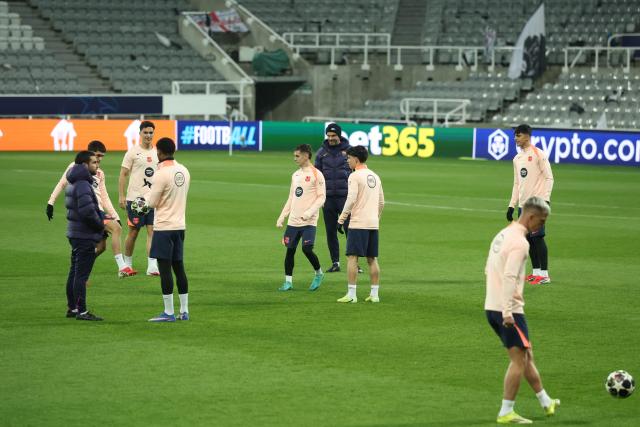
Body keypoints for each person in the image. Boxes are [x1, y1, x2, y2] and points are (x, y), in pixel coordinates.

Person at [486, 196, 560, 424]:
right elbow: (509, 276)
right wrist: (507, 311)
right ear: (530, 216)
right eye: (541, 220)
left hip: (493, 304)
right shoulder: (520, 242)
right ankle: (505, 411)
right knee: (519, 360)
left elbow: (488, 268)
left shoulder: (503, 234)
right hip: (507, 309)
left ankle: (546, 402)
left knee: (527, 355)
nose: (542, 224)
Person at [47, 140, 134, 277]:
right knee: (116, 229)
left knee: (100, 247)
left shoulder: (100, 174)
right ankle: (122, 267)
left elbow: (104, 197)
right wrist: (51, 202)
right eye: (97, 156)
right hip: (89, 211)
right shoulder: (74, 167)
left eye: (101, 157)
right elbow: (62, 183)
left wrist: (115, 215)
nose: (99, 159)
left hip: (98, 210)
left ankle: (80, 270)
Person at [145, 138, 191, 322]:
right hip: (180, 226)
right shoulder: (184, 171)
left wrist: (142, 203)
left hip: (164, 227)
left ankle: (169, 312)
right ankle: (185, 311)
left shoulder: (161, 173)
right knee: (179, 268)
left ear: (160, 152)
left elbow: (152, 203)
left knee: (165, 270)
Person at [506, 124, 554, 285]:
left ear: (527, 136)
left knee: (538, 238)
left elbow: (549, 178)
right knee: (529, 240)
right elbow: (516, 184)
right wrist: (511, 205)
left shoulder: (538, 154)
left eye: (518, 135)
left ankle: (545, 274)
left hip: (537, 203)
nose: (515, 138)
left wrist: (545, 199)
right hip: (523, 206)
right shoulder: (517, 159)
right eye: (515, 136)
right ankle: (536, 272)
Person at [336, 146, 384, 303]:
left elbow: (351, 199)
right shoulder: (375, 176)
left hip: (358, 223)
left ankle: (351, 295)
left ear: (356, 159)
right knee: (372, 259)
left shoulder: (354, 176)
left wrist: (341, 219)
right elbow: (381, 202)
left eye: (349, 158)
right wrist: (376, 218)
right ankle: (375, 295)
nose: (347, 161)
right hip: (372, 223)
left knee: (352, 258)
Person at [276, 144, 326, 291]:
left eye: (297, 156)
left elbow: (322, 198)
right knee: (290, 250)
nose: (294, 159)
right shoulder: (295, 175)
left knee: (307, 249)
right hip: (293, 221)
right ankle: (288, 282)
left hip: (309, 221)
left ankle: (318, 273)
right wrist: (282, 216)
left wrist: (309, 213)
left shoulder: (317, 174)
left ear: (306, 156)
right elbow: (291, 197)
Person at [314, 123, 361, 273]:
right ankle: (335, 263)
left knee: (350, 230)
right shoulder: (321, 153)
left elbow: (358, 173)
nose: (331, 138)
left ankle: (355, 263)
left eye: (333, 136)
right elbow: (317, 176)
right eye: (328, 136)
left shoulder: (349, 151)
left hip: (345, 198)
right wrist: (318, 197)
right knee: (330, 231)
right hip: (327, 199)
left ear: (339, 136)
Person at [64, 151, 105, 321]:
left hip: (75, 232)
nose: (97, 165)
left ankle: (73, 308)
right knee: (81, 275)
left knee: (74, 272)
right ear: (84, 165)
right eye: (94, 162)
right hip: (84, 235)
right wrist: (100, 226)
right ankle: (81, 311)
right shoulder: (82, 184)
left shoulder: (74, 182)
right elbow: (87, 211)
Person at [118, 120, 159, 276]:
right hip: (135, 200)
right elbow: (123, 174)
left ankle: (152, 266)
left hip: (153, 200)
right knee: (133, 232)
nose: (148, 135)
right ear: (140, 133)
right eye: (145, 132)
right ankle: (127, 264)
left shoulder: (157, 152)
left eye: (151, 132)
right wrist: (122, 196)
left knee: (152, 231)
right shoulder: (132, 152)